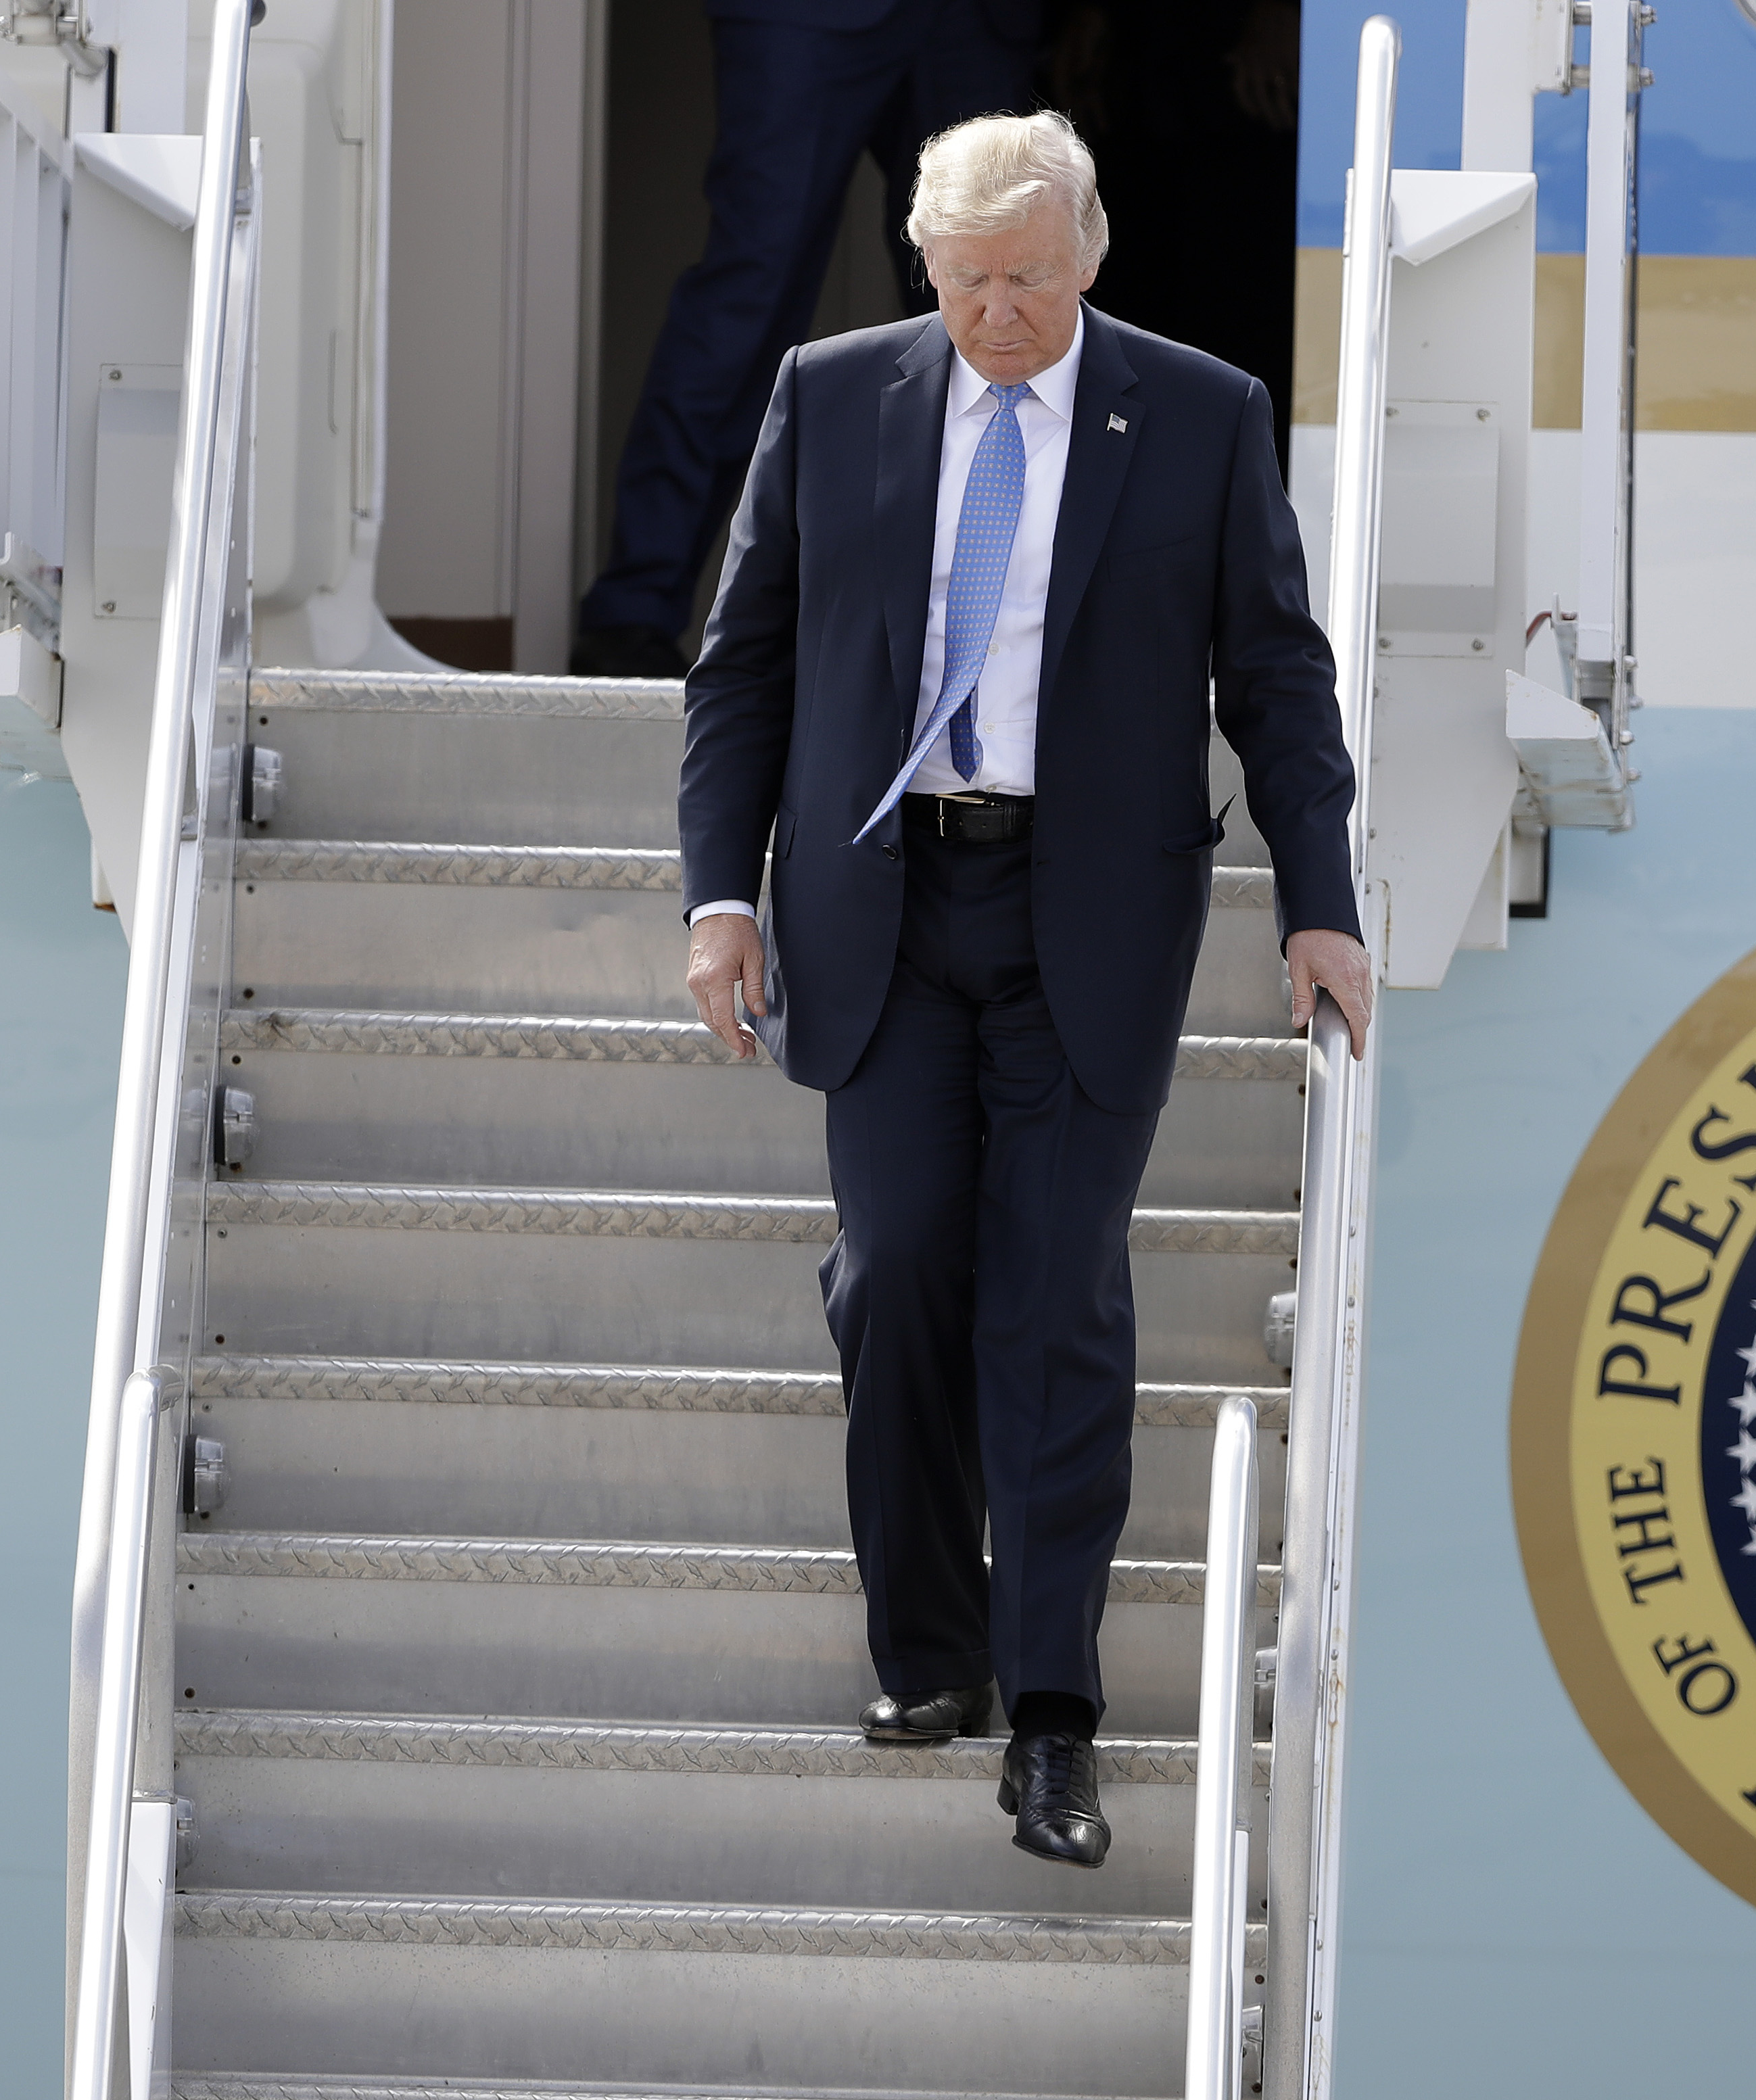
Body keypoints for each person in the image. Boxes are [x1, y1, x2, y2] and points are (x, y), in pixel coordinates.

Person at [676, 111, 1373, 1869]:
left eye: (1033, 282)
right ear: (927, 266)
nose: (1001, 314)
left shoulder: (1198, 414)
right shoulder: (833, 398)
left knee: (1053, 1300)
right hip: (881, 910)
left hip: (1087, 917)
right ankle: (926, 1654)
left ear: (1090, 254)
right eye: (971, 282)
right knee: (900, 1274)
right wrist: (716, 900)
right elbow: (739, 665)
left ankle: (1053, 1718)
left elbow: (1275, 677)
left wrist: (1320, 902)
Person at [573, 0, 1041, 679]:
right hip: (803, 15)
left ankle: (1012, 615)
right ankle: (634, 608)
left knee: (1001, 298)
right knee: (748, 292)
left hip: (973, 20)